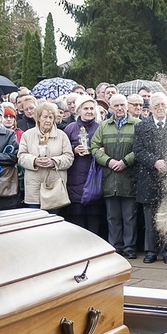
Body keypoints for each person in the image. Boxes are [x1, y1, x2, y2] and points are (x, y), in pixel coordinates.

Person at [135, 92, 167, 264]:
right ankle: (150, 251)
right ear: (149, 108)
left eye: (162, 105)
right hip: (149, 177)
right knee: (150, 217)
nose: (159, 108)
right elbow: (138, 150)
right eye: (156, 105)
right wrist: (154, 162)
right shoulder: (141, 126)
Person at [91, 93, 140, 259]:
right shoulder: (104, 126)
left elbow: (140, 147)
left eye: (122, 105)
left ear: (127, 106)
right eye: (116, 105)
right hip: (109, 177)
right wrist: (109, 161)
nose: (119, 108)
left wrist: (125, 161)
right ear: (110, 108)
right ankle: (115, 248)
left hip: (129, 177)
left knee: (129, 216)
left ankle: (130, 248)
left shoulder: (137, 124)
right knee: (113, 217)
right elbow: (95, 147)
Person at [18, 102, 74, 211]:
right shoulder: (27, 135)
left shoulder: (62, 136)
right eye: (45, 117)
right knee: (35, 223)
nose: (48, 120)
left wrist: (54, 161)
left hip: (55, 187)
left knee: (54, 223)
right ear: (38, 118)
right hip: (34, 186)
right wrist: (34, 161)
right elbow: (21, 156)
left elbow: (69, 157)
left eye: (51, 117)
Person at [64, 95, 104, 235]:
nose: (89, 111)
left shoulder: (101, 127)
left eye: (92, 108)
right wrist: (74, 150)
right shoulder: (70, 128)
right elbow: (63, 150)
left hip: (94, 177)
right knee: (77, 219)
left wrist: (101, 151)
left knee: (94, 217)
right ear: (79, 110)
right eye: (85, 108)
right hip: (75, 178)